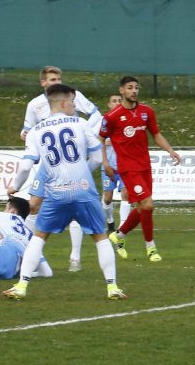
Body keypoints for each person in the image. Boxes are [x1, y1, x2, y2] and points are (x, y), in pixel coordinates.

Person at [4, 83, 125, 300]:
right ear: (63, 102)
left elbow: (24, 166)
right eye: (72, 101)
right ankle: (112, 287)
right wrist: (82, 172)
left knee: (39, 237)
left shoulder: (36, 131)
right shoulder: (81, 124)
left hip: (56, 192)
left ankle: (21, 286)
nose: (74, 105)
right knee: (101, 237)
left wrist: (15, 186)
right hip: (83, 191)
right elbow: (97, 157)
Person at [20, 66, 103, 273]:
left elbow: (96, 114)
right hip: (45, 165)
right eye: (52, 79)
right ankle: (25, 252)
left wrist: (84, 132)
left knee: (75, 204)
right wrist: (26, 134)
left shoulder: (73, 97)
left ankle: (74, 256)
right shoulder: (34, 105)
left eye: (58, 78)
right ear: (43, 83)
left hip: (71, 161)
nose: (56, 81)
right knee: (33, 205)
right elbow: (27, 129)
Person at [100, 76, 182, 262]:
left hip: (144, 165)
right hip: (128, 168)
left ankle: (119, 236)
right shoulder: (111, 117)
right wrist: (105, 162)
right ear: (122, 91)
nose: (134, 91)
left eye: (136, 88)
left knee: (142, 207)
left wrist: (170, 150)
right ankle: (150, 248)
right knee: (148, 205)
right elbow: (101, 139)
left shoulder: (146, 112)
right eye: (130, 88)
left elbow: (156, 134)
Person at [98, 94, 131, 232]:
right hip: (109, 165)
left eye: (119, 101)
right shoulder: (103, 120)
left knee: (126, 193)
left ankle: (123, 226)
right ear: (109, 104)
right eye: (114, 101)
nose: (117, 103)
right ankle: (110, 220)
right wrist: (108, 141)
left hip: (125, 165)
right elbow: (97, 140)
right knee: (107, 198)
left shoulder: (128, 119)